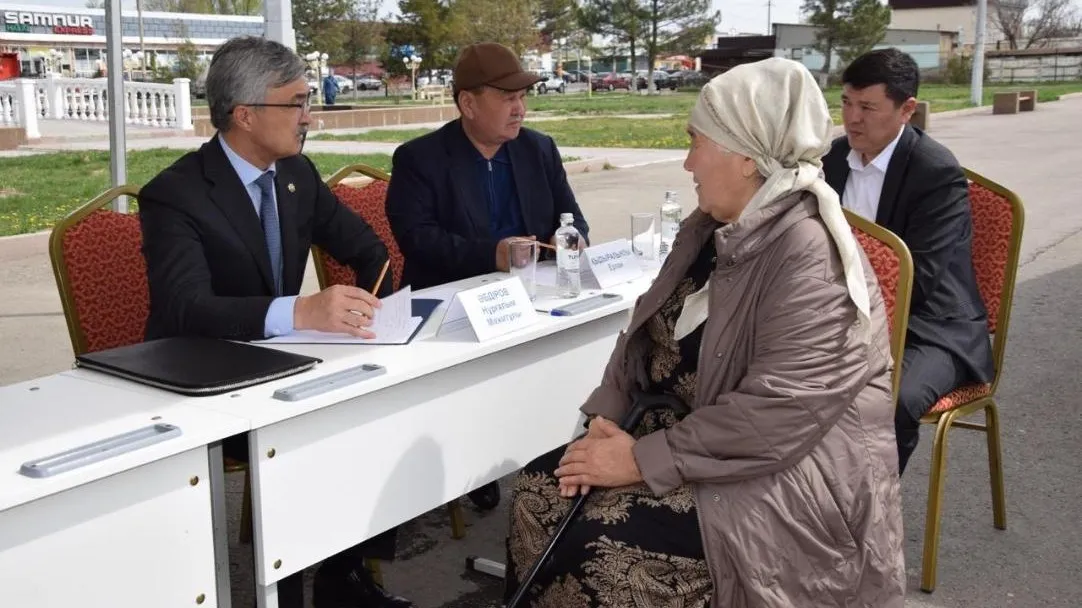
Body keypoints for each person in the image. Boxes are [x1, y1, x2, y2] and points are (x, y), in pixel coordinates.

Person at [503, 57, 905, 607]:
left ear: (746, 156)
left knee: (604, 548)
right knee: (536, 489)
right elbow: (641, 335)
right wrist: (605, 420)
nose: (688, 162)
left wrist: (638, 460)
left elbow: (779, 412)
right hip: (686, 437)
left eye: (697, 142)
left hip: (783, 476)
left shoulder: (811, 255)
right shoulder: (709, 227)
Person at [138, 36, 412, 608]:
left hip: (285, 367)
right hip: (204, 379)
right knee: (311, 429)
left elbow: (370, 251)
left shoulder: (296, 174)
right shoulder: (176, 194)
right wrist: (302, 311)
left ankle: (344, 577)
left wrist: (372, 313)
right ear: (245, 114)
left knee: (377, 401)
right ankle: (284, 593)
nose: (309, 117)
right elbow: (185, 306)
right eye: (297, 103)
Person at [822, 48, 995, 475]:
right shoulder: (831, 161)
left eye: (867, 107)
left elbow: (918, 280)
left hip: (931, 327)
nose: (852, 118)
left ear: (907, 109)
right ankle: (803, 498)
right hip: (845, 316)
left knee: (891, 399)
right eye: (846, 102)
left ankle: (869, 508)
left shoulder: (935, 173)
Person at [385, 42, 590, 290]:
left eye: (523, 97)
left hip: (537, 288)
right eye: (509, 98)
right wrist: (492, 255)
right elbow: (418, 240)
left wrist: (573, 239)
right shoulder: (419, 159)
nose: (520, 110)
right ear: (468, 104)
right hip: (453, 296)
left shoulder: (539, 149)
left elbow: (573, 218)